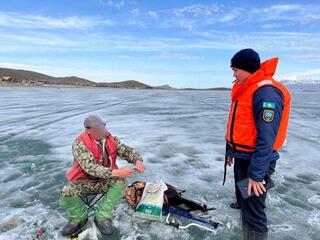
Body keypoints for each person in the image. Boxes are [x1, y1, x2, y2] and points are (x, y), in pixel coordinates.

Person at [224, 49, 291, 239]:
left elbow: (266, 138)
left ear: (247, 68)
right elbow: (241, 125)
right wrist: (231, 150)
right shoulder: (247, 87)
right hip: (242, 155)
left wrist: (256, 174)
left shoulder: (266, 93)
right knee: (242, 193)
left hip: (257, 159)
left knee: (254, 212)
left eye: (236, 69)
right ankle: (244, 206)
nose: (234, 73)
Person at [60, 115, 145, 236]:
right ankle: (79, 217)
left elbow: (127, 151)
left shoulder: (111, 139)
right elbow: (90, 168)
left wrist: (138, 160)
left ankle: (102, 216)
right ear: (88, 130)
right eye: (98, 128)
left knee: (121, 182)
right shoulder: (79, 144)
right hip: (84, 181)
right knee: (67, 193)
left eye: (103, 127)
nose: (103, 130)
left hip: (106, 179)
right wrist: (115, 172)